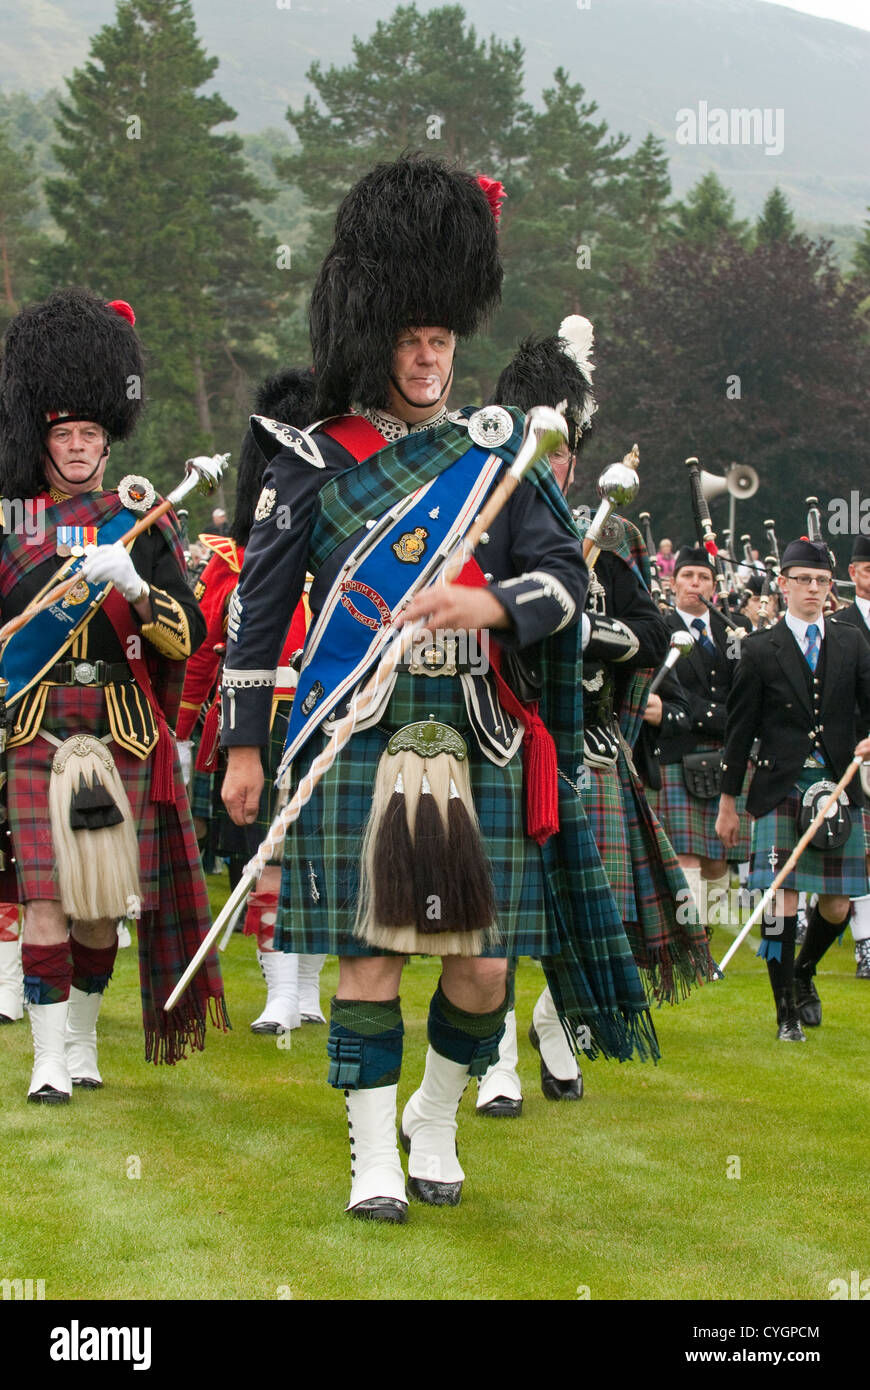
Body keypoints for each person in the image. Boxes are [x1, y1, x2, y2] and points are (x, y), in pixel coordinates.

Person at [221, 155, 657, 1223]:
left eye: (442, 341)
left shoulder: (497, 459)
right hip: (357, 727)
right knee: (368, 960)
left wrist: (492, 607)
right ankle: (373, 1159)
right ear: (377, 342)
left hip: (477, 734)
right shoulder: (310, 461)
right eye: (411, 340)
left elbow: (564, 582)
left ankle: (435, 1117)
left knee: (483, 973)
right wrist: (241, 746)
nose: (428, 359)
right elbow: (260, 614)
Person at [474, 322, 710, 1118]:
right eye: (549, 442)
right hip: (505, 737)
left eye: (569, 447)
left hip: (595, 750)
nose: (560, 460)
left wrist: (597, 633)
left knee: (594, 907)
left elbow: (650, 631)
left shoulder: (611, 537)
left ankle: (556, 1023)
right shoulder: (483, 526)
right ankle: (497, 1061)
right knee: (501, 914)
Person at [0, 288, 225, 1102]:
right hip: (33, 726)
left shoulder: (143, 520)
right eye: (65, 433)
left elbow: (187, 640)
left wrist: (133, 581)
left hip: (118, 730)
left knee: (99, 909)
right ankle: (47, 1059)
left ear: (109, 435)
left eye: (92, 432)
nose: (80, 446)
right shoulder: (11, 521)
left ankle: (84, 1039)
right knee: (45, 900)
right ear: (43, 438)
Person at [177, 368, 326, 1032]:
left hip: (329, 706)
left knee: (325, 859)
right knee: (267, 855)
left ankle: (310, 993)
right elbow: (212, 651)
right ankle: (277, 994)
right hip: (266, 711)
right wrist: (188, 732)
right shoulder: (233, 563)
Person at [716, 538, 870, 1039]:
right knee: (781, 900)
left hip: (839, 785)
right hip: (780, 786)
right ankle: (785, 1012)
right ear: (783, 585)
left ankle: (803, 971)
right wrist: (728, 805)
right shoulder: (760, 649)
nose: (813, 589)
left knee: (838, 904)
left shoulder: (852, 641)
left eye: (822, 581)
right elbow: (738, 733)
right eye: (803, 580)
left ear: (831, 587)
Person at [647, 546, 751, 929]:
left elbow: (745, 687)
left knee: (717, 855)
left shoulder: (734, 631)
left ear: (714, 585)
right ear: (673, 584)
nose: (696, 584)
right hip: (676, 749)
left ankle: (706, 921)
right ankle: (690, 931)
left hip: (727, 751)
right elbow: (670, 691)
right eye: (688, 576)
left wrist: (723, 721)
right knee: (685, 851)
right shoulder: (659, 629)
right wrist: (717, 717)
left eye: (703, 577)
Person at [831, 535, 870, 979]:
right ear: (854, 573)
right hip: (851, 749)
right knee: (860, 855)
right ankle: (864, 944)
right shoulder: (838, 625)